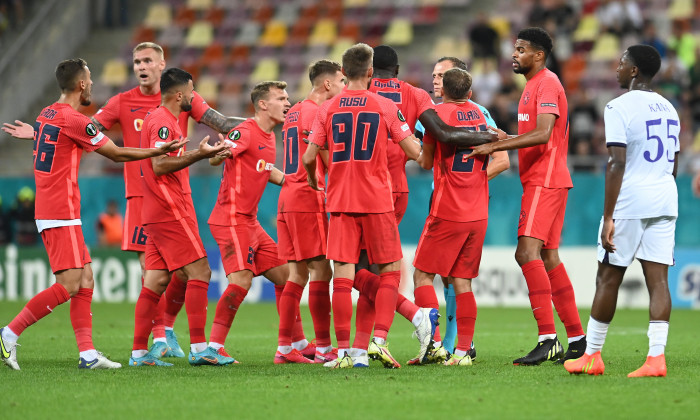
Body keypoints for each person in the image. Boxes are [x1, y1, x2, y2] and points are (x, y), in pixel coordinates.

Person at [2, 42, 246, 359]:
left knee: (145, 276)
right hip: (138, 199)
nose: (141, 66)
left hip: (174, 195)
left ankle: (104, 351)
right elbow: (93, 136)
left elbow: (223, 123)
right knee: (159, 272)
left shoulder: (185, 95)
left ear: (161, 65)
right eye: (136, 61)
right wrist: (159, 152)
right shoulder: (121, 101)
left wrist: (258, 127)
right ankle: (163, 339)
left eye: (147, 60)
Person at [0, 58, 185, 370]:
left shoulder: (47, 114)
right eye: (90, 79)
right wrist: (157, 151)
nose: (93, 85)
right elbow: (116, 153)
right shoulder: (74, 119)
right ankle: (9, 332)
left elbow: (58, 140)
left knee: (86, 278)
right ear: (81, 84)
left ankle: (87, 354)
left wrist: (35, 134)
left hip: (57, 208)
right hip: (59, 210)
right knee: (70, 284)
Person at [467, 27, 586, 365]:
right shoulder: (532, 86)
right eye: (514, 48)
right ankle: (577, 338)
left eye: (521, 49)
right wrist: (506, 135)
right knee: (548, 256)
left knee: (526, 252)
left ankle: (548, 337)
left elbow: (544, 133)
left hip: (545, 179)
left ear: (539, 55)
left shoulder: (547, 82)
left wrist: (497, 145)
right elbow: (535, 131)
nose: (514, 54)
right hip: (545, 179)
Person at [302, 43, 422, 369]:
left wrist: (316, 182)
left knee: (342, 275)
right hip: (378, 200)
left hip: (340, 201)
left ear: (343, 73)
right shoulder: (384, 105)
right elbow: (414, 150)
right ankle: (378, 343)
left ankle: (344, 353)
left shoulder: (327, 108)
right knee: (388, 271)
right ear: (371, 73)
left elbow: (309, 156)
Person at [565, 45, 679, 377]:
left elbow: (616, 162)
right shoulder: (670, 107)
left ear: (634, 71)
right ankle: (656, 359)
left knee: (607, 277)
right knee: (658, 281)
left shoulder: (617, 106)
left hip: (630, 201)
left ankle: (592, 356)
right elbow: (671, 164)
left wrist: (609, 216)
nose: (616, 67)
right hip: (664, 198)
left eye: (621, 62)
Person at [129, 67, 231, 367]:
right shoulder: (163, 122)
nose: (193, 95)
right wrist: (200, 154)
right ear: (179, 94)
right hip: (169, 209)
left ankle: (138, 353)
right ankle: (200, 349)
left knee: (156, 281)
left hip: (156, 210)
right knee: (201, 272)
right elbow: (160, 165)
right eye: (191, 90)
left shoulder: (161, 119)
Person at [415, 56, 509, 359]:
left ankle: (433, 344)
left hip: (446, 207)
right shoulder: (483, 117)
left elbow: (426, 161)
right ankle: (463, 350)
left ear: (446, 87)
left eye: (439, 76)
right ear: (469, 91)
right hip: (478, 210)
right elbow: (501, 150)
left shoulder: (433, 114)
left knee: (422, 275)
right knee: (462, 280)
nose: (434, 81)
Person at [205, 81, 300, 363]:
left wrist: (289, 181)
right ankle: (213, 348)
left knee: (286, 276)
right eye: (281, 98)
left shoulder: (270, 136)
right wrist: (216, 153)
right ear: (262, 104)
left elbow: (262, 168)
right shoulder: (245, 131)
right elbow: (220, 156)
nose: (288, 103)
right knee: (241, 282)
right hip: (231, 218)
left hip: (250, 221)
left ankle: (288, 348)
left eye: (287, 98)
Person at [275, 60, 345, 364]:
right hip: (308, 195)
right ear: (327, 84)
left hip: (287, 196)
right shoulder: (318, 112)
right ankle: (324, 346)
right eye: (341, 81)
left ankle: (284, 347)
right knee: (321, 270)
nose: (344, 86)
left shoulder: (293, 112)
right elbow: (323, 157)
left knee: (297, 273)